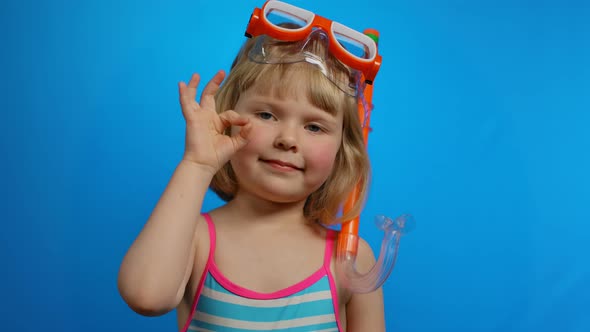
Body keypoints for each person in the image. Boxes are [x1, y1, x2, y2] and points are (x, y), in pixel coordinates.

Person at [118, 1, 385, 330]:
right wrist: (197, 164)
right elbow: (145, 296)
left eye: (314, 127)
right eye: (266, 115)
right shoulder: (197, 239)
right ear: (228, 119)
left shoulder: (351, 260)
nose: (288, 139)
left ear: (342, 151)